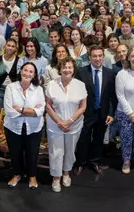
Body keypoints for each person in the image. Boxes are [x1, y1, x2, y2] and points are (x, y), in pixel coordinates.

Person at [45, 57, 87, 192]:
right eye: (64, 67)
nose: (67, 70)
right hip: (55, 125)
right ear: (59, 69)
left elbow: (82, 106)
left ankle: (66, 173)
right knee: (56, 152)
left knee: (70, 151)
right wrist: (59, 121)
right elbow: (48, 105)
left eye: (69, 67)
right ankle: (56, 178)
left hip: (73, 125)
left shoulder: (80, 85)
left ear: (73, 69)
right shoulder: (51, 84)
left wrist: (69, 121)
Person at [74, 45, 117, 175]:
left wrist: (111, 113)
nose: (97, 59)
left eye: (100, 56)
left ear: (103, 57)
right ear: (90, 57)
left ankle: (95, 161)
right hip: (86, 113)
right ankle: (80, 162)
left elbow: (112, 96)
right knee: (83, 138)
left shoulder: (110, 74)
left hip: (103, 113)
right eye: (94, 56)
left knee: (98, 139)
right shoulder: (81, 72)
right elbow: (76, 95)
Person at [3, 62, 45, 189]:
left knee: (32, 152)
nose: (27, 73)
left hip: (34, 128)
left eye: (31, 71)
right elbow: (9, 110)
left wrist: (20, 110)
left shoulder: (38, 89)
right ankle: (17, 174)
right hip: (12, 127)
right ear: (21, 71)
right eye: (25, 70)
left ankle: (32, 176)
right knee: (15, 152)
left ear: (34, 75)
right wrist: (31, 111)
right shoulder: (10, 87)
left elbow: (40, 111)